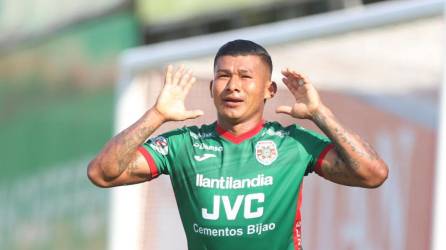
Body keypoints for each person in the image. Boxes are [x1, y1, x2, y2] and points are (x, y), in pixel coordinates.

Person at [87, 39, 388, 250]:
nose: (233, 86)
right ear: (211, 87)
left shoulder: (293, 143)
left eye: (246, 77)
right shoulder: (183, 145)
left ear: (269, 90)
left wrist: (321, 114)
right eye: (223, 76)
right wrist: (156, 116)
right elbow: (102, 173)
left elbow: (373, 174)